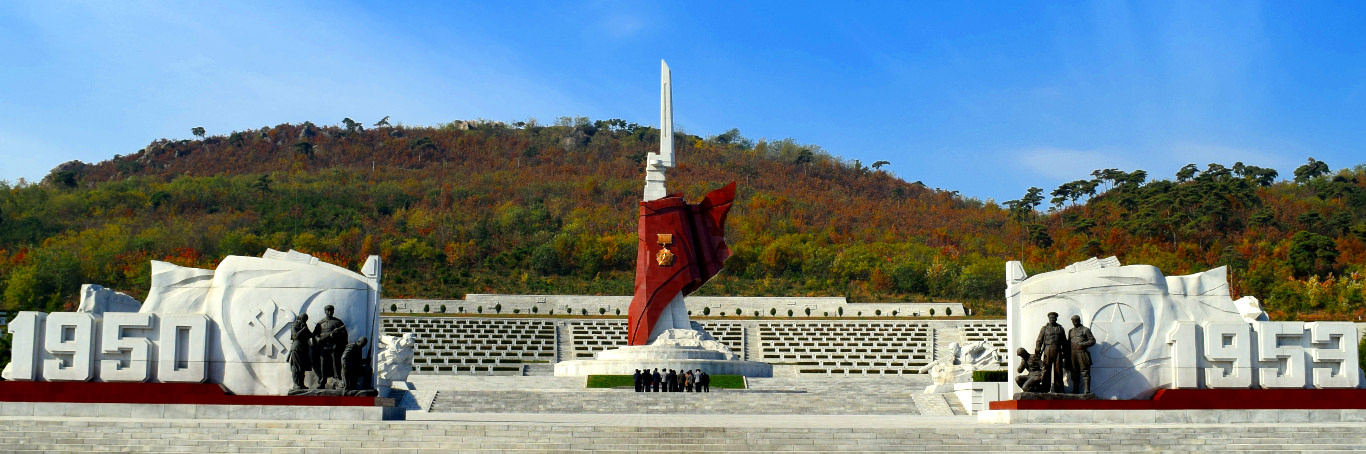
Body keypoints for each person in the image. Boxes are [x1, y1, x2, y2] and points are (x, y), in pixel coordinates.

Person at [313, 305, 348, 389]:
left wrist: (336, 335)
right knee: (323, 365)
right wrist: (318, 339)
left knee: (336, 364)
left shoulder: (338, 322)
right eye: (328, 310)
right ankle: (322, 381)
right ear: (325, 311)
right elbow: (315, 334)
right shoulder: (320, 323)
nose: (329, 312)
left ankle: (337, 380)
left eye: (331, 310)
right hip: (323, 347)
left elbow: (344, 335)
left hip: (334, 347)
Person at [1033, 311, 1067, 393]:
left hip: (1058, 350)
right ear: (1048, 319)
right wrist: (1037, 351)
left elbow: (1064, 342)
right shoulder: (1044, 329)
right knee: (1046, 369)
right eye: (1050, 318)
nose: (1052, 319)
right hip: (1047, 350)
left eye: (1053, 318)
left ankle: (1059, 389)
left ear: (1056, 318)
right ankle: (1045, 388)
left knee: (1058, 370)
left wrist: (1065, 353)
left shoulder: (1060, 329)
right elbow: (1039, 341)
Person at [1068, 315, 1097, 394]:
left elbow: (1092, 341)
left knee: (1085, 372)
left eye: (1076, 320)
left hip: (1082, 353)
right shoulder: (1070, 331)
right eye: (1073, 321)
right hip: (1073, 354)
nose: (1074, 322)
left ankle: (1087, 390)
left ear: (1079, 320)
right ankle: (1075, 389)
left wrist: (1082, 344)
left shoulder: (1085, 330)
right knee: (1074, 372)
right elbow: (1068, 343)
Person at [287, 314, 313, 390]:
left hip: (304, 348)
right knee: (296, 367)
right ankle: (296, 384)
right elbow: (295, 336)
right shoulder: (294, 325)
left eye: (305, 319)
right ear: (299, 318)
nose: (304, 321)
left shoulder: (304, 325)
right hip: (296, 347)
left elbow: (310, 335)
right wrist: (303, 329)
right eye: (303, 319)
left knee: (302, 367)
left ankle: (301, 383)